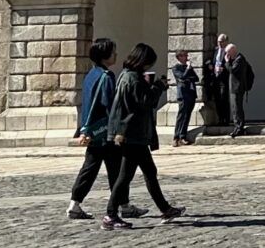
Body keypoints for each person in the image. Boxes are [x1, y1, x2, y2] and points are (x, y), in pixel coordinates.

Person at [104, 44, 183, 229]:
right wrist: (158, 86)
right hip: (131, 133)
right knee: (125, 176)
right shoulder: (133, 78)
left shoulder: (125, 75)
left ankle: (165, 208)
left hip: (129, 132)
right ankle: (110, 214)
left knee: (149, 171)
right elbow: (145, 103)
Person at [66, 39, 121, 220]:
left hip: (93, 130)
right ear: (105, 57)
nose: (116, 55)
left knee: (91, 168)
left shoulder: (91, 74)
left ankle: (75, 203)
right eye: (113, 52)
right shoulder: (107, 76)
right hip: (105, 130)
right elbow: (110, 104)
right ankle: (121, 205)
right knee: (115, 169)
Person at [226, 37, 255, 136]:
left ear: (233, 51)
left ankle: (239, 127)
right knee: (234, 108)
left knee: (237, 108)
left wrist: (226, 62)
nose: (227, 55)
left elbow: (232, 70)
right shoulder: (235, 59)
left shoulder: (239, 59)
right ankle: (237, 126)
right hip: (234, 88)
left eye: (228, 53)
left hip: (237, 88)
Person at [171, 48, 199, 146]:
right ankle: (176, 137)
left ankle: (183, 136)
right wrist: (187, 70)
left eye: (187, 55)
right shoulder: (176, 68)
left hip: (191, 93)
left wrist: (188, 73)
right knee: (181, 116)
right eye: (185, 55)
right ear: (179, 57)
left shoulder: (189, 68)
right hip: (183, 94)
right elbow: (182, 77)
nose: (187, 58)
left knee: (187, 116)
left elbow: (196, 78)